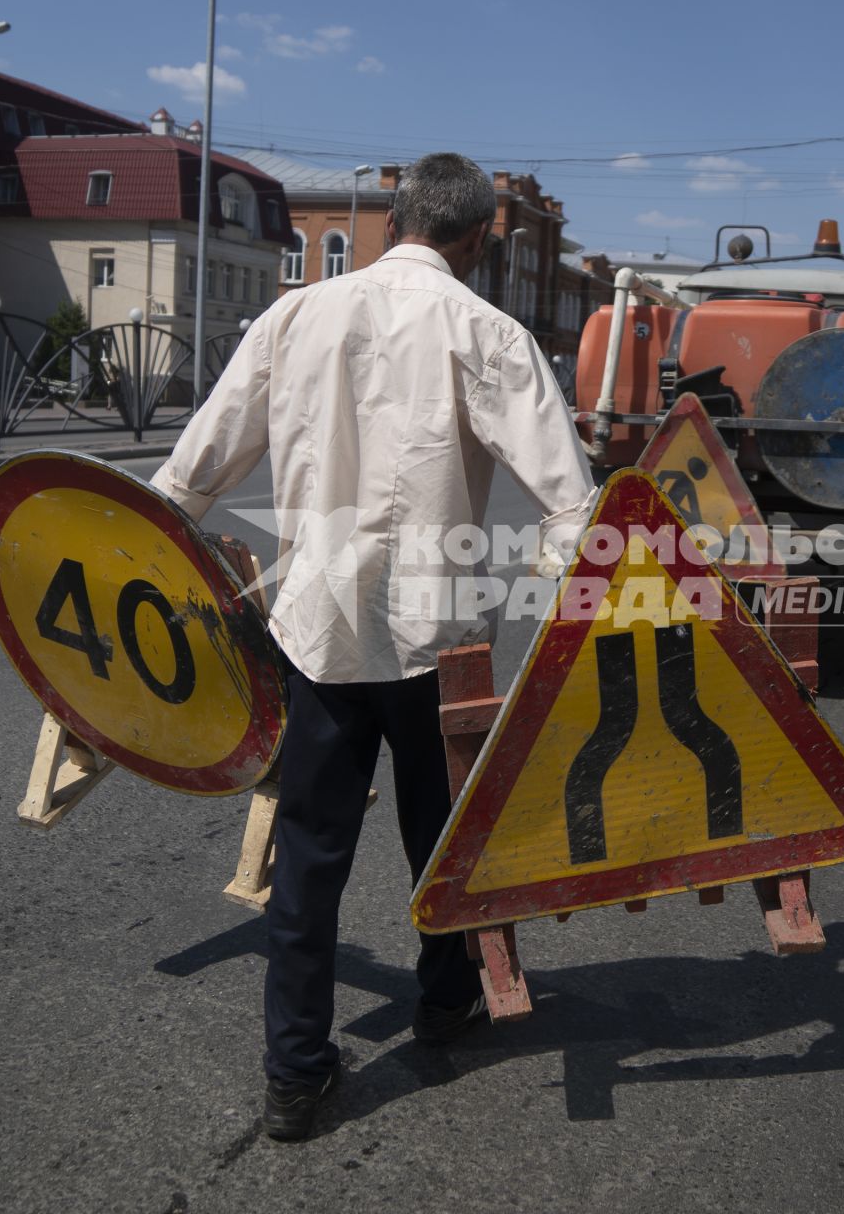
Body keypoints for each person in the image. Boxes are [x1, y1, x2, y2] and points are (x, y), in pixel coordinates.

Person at [148, 153, 595, 1142]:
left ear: (395, 217)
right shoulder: (490, 333)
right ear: (479, 240)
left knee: (309, 857)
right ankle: (445, 999)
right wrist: (589, 620)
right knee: (442, 835)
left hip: (320, 636)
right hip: (445, 646)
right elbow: (571, 504)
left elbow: (189, 475)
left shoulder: (294, 317)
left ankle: (296, 1074)